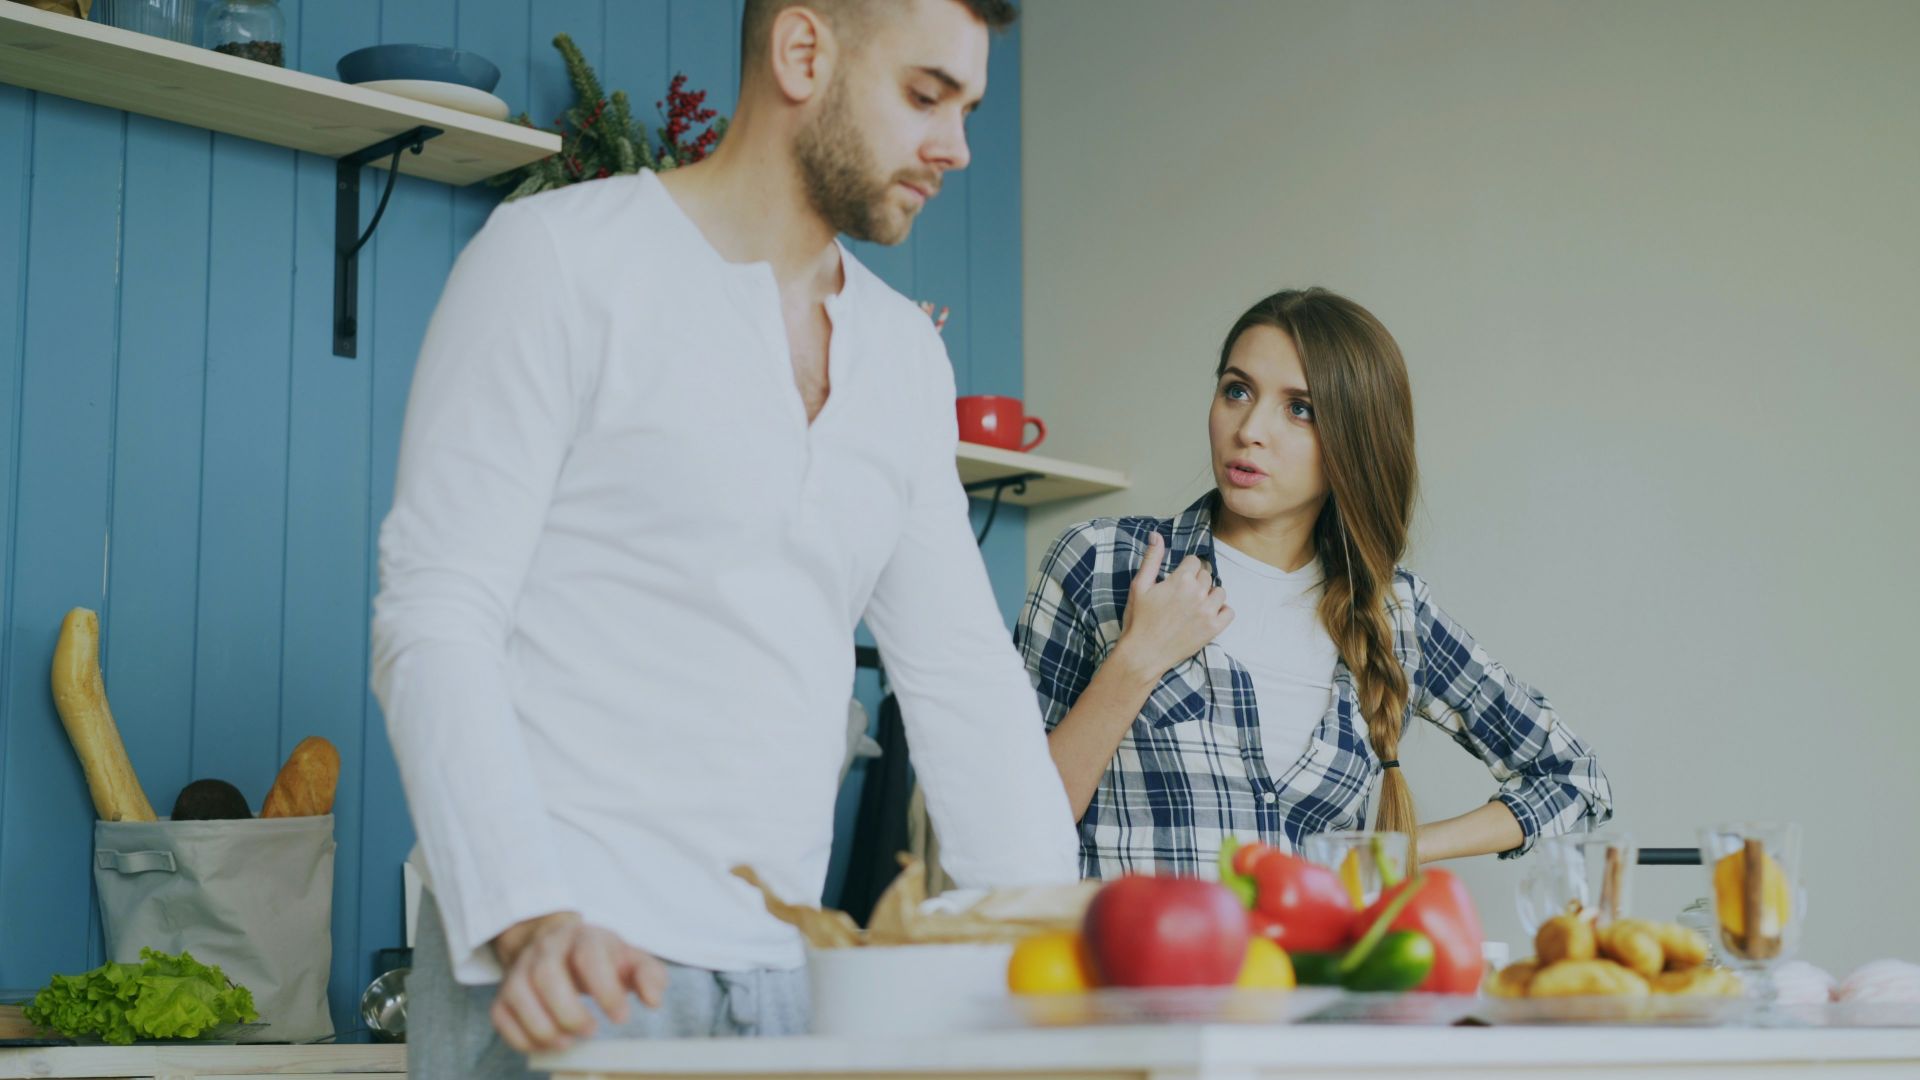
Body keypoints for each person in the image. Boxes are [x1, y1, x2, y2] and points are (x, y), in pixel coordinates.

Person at [371, 1, 1076, 1073]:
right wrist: (527, 915)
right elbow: (435, 614)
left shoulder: (901, 357)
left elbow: (965, 683)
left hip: (787, 988)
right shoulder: (556, 262)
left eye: (968, 108)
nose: (957, 147)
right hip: (562, 976)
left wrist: (1061, 948)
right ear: (803, 52)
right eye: (927, 96)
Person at [1016, 287, 1612, 879]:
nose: (1250, 429)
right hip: (1125, 972)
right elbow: (1007, 826)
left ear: (1355, 440)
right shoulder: (1102, 561)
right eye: (1237, 390)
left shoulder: (1394, 612)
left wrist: (1399, 851)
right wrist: (1137, 659)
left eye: (1300, 408)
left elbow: (1573, 778)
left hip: (1310, 972)